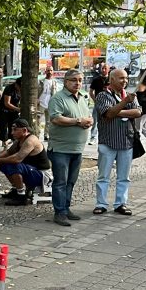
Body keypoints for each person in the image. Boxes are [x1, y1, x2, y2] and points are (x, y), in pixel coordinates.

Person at [46, 68, 92, 226]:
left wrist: (89, 121)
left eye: (80, 80)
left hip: (77, 148)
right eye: (73, 80)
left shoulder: (83, 97)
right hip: (60, 149)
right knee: (60, 182)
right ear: (65, 82)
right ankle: (59, 212)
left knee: (71, 181)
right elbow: (56, 119)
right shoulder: (58, 98)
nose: (77, 83)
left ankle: (65, 208)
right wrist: (78, 121)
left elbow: (87, 116)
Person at [92, 69, 141, 216]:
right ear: (111, 79)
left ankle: (121, 203)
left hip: (126, 141)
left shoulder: (130, 95)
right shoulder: (103, 95)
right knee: (103, 176)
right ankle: (101, 204)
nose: (124, 81)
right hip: (108, 141)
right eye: (121, 78)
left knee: (124, 177)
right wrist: (124, 104)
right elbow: (108, 114)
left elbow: (138, 112)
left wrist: (117, 112)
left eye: (126, 78)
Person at [0, 117, 50, 205]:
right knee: (5, 163)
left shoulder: (31, 140)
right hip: (32, 171)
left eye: (15, 130)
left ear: (24, 130)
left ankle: (21, 196)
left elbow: (17, 159)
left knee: (14, 164)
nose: (12, 133)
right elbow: (8, 152)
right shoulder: (19, 141)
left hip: (41, 175)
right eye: (12, 130)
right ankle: (16, 189)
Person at [88, 63, 109, 144]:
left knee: (107, 121)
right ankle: (93, 137)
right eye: (102, 68)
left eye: (105, 68)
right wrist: (95, 100)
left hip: (108, 104)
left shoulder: (111, 79)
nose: (103, 70)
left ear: (108, 69)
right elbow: (91, 92)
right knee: (95, 120)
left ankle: (106, 137)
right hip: (98, 104)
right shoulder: (96, 80)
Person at [0, 77, 21, 143]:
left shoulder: (22, 89)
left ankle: (13, 139)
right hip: (4, 110)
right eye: (19, 87)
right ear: (16, 84)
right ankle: (4, 141)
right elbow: (7, 103)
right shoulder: (9, 88)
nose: (20, 89)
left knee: (14, 125)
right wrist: (17, 109)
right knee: (3, 126)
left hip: (14, 111)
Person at [38, 66, 59, 136]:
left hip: (50, 104)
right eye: (48, 70)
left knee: (49, 121)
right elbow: (37, 91)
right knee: (38, 120)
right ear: (45, 72)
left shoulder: (54, 82)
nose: (49, 72)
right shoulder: (41, 81)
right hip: (41, 103)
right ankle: (37, 134)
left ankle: (46, 135)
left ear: (53, 72)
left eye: (51, 70)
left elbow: (55, 93)